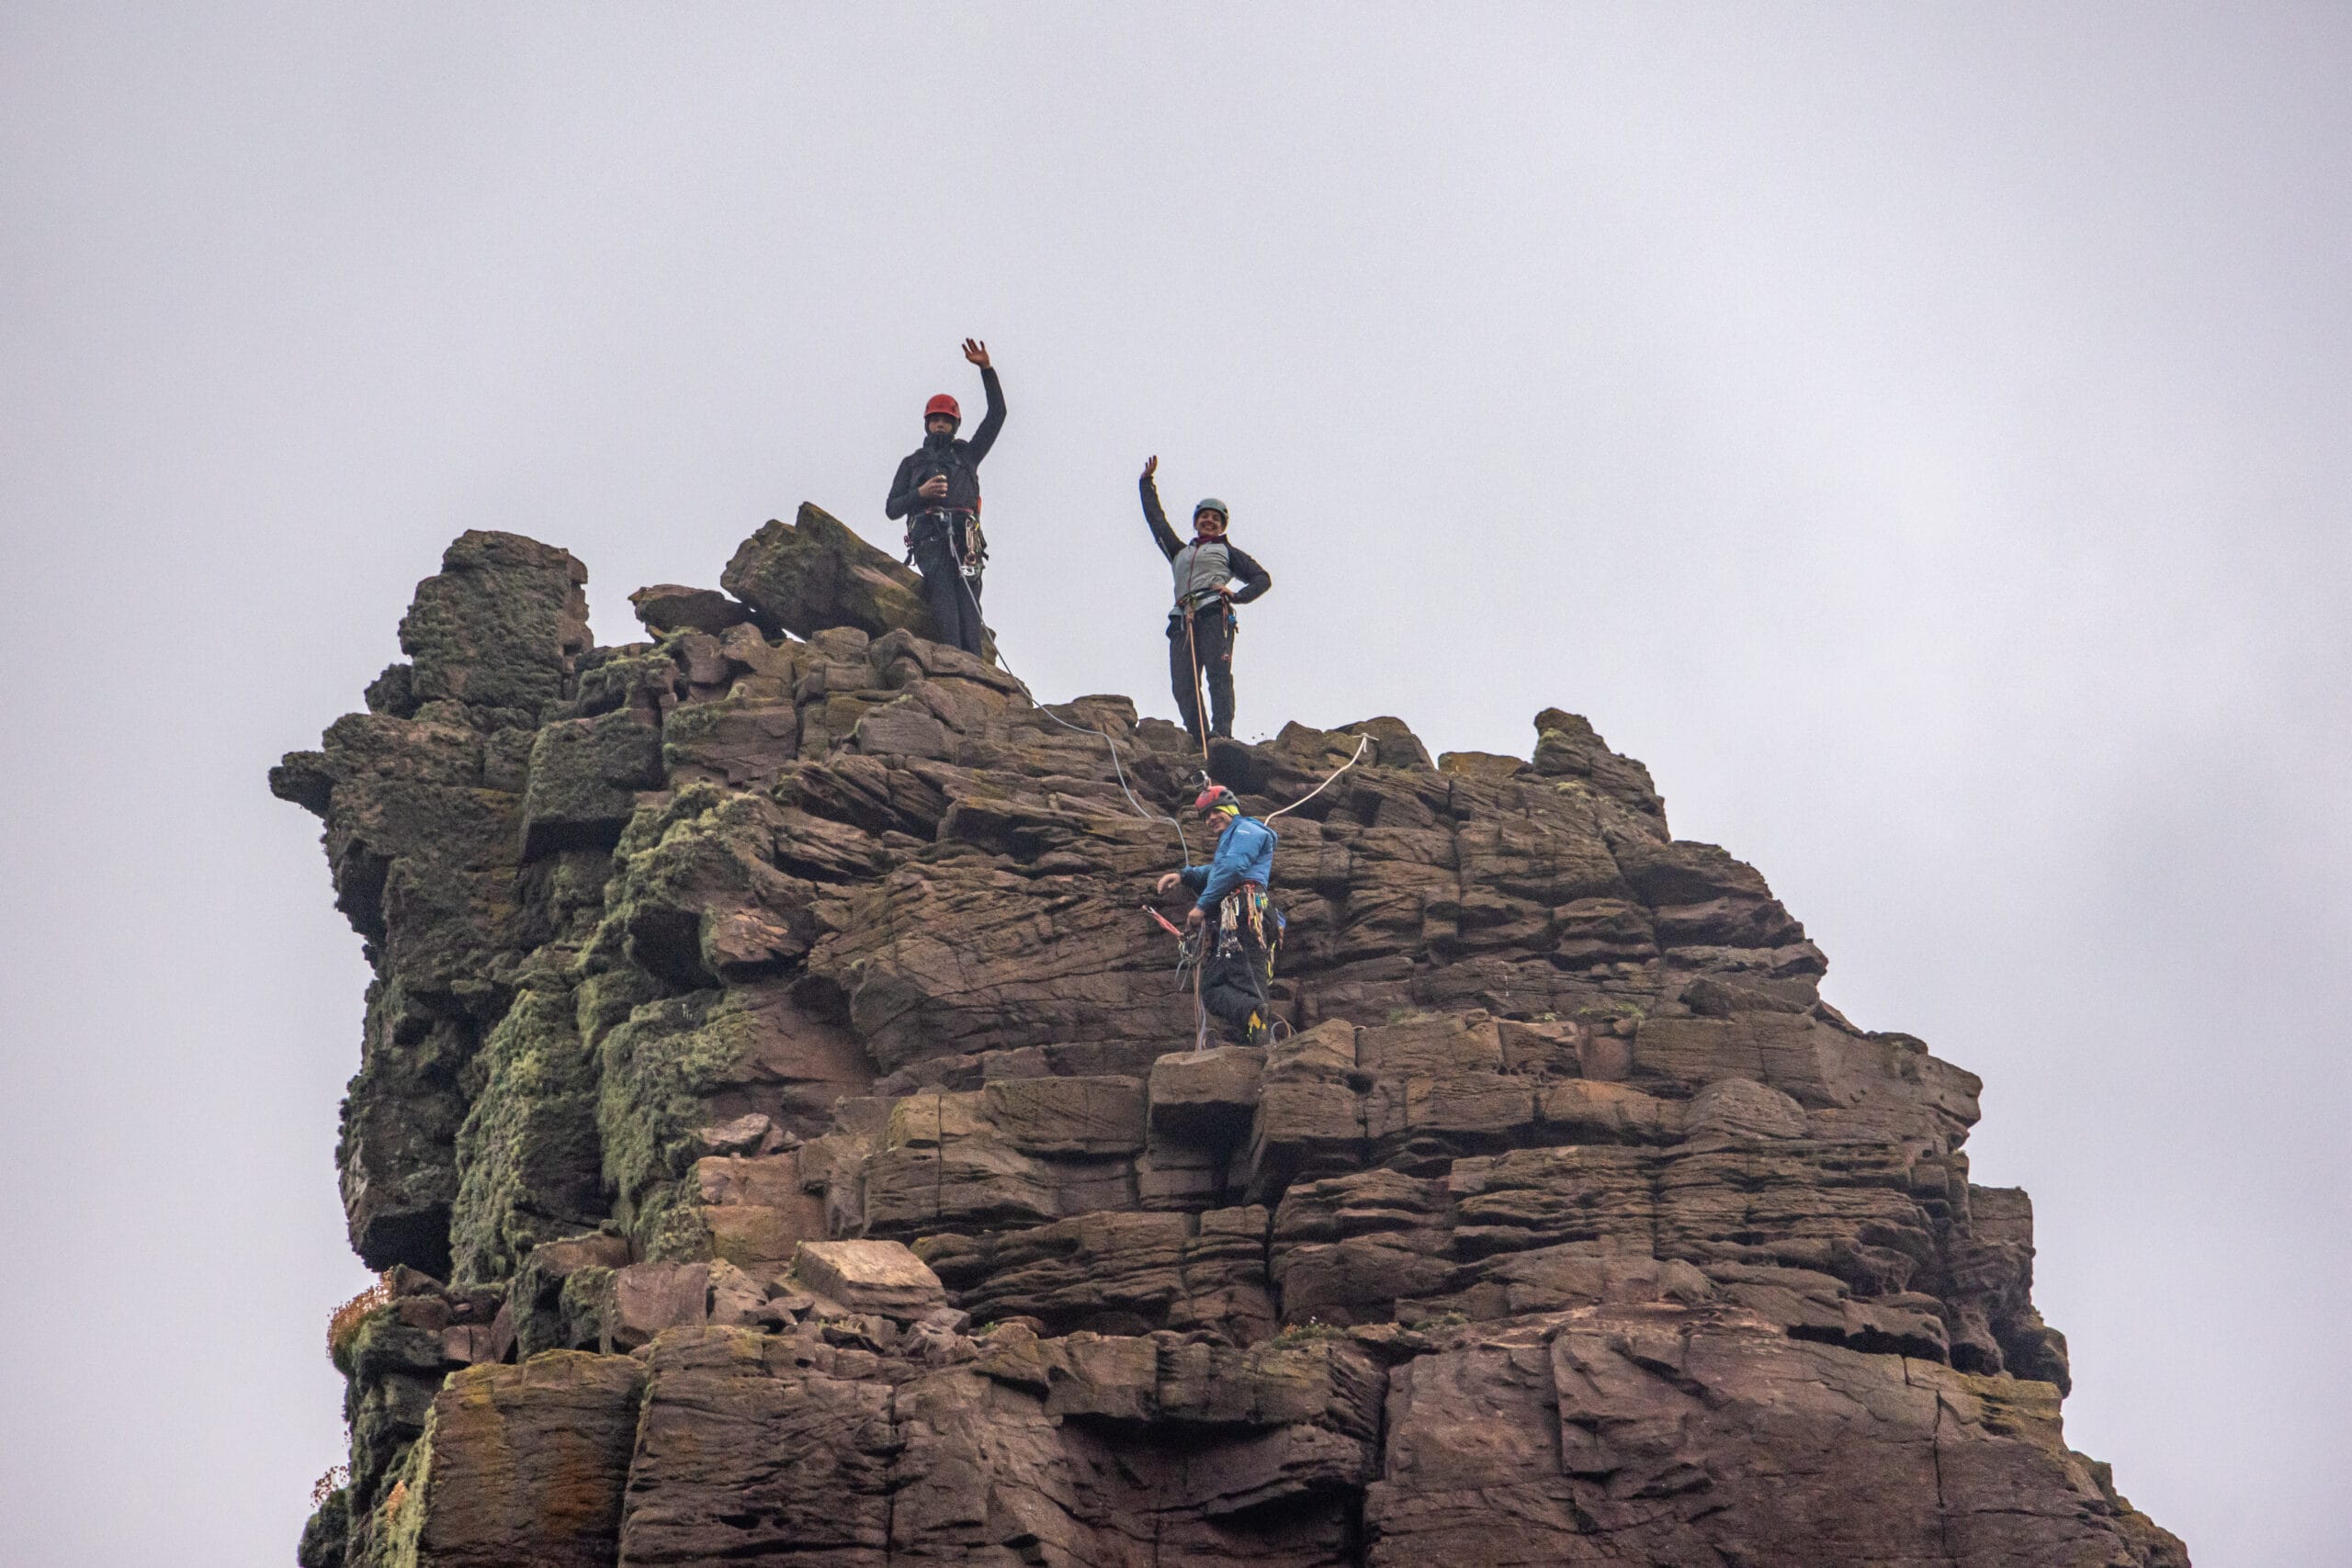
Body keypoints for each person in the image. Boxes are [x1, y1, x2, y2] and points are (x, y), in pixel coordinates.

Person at [1139, 456, 1271, 742]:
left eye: (1215, 518)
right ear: (1196, 522)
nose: (1209, 521)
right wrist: (1146, 484)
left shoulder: (1228, 552)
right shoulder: (1178, 552)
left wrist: (1237, 595)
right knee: (1183, 683)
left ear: (1222, 526)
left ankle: (1221, 734)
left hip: (1214, 613)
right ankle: (1198, 736)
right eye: (1204, 517)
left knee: (1218, 676)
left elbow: (1262, 578)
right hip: (1182, 619)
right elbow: (1157, 522)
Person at [886, 339, 1005, 657]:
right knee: (943, 597)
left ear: (954, 425)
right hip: (931, 540)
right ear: (927, 423)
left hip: (966, 543)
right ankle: (955, 662)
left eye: (946, 420)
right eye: (936, 419)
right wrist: (921, 494)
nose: (941, 424)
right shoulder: (913, 463)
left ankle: (974, 667)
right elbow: (892, 508)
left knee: (969, 600)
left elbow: (997, 415)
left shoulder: (967, 455)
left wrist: (986, 370)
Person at [1156, 784, 1282, 1045]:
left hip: (1247, 911)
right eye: (1205, 816)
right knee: (1211, 988)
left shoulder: (1249, 829)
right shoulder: (1232, 839)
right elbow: (1217, 870)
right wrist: (1183, 875)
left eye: (1215, 811)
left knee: (1248, 977)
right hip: (1232, 918)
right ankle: (1252, 1020)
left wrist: (1201, 906)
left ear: (1231, 809)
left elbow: (1233, 868)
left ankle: (1263, 1039)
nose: (1210, 819)